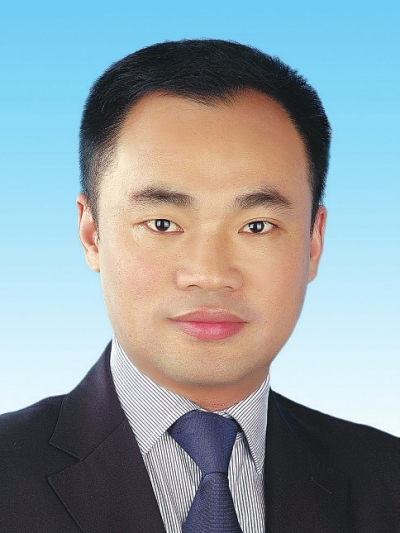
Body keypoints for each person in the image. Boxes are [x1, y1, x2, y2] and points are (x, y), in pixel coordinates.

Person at [0, 39, 398, 533]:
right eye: (163, 223)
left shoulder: (387, 481)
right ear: (91, 234)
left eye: (256, 226)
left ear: (313, 241)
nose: (209, 274)